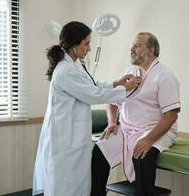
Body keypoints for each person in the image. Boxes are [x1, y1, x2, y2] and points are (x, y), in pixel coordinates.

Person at [32, 21, 141, 196]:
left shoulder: (71, 67)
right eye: (86, 43)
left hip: (73, 139)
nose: (89, 48)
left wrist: (116, 83)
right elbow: (93, 95)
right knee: (67, 187)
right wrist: (124, 89)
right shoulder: (66, 71)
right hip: (66, 141)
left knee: (76, 186)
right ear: (74, 46)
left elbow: (91, 85)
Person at [91, 32, 181, 196]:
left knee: (142, 155)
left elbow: (171, 116)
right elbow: (112, 101)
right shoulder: (130, 72)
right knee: (100, 151)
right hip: (127, 129)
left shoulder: (165, 76)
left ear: (151, 50)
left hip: (156, 129)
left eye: (137, 45)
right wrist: (112, 123)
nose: (131, 48)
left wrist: (149, 139)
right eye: (133, 45)